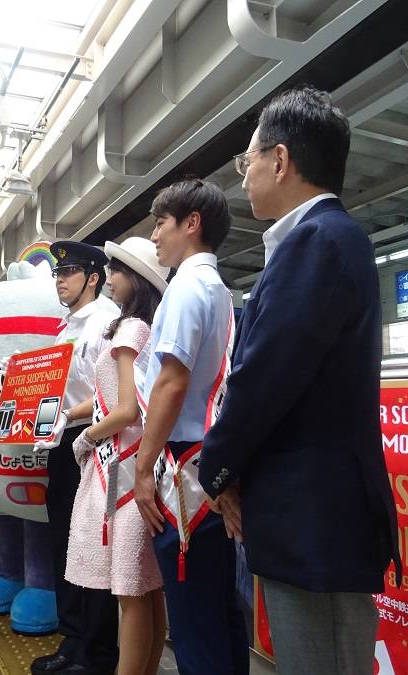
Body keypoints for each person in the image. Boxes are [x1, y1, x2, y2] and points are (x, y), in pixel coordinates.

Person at [198, 87, 402, 675]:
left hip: (316, 520)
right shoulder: (325, 240)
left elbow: (266, 376)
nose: (244, 179)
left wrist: (217, 468)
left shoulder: (317, 242)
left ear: (280, 161)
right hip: (310, 513)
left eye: (248, 162)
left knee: (321, 660)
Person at [133, 178, 249, 675]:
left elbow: (170, 385)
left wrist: (141, 471)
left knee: (195, 625)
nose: (154, 235)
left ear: (191, 224)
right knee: (221, 616)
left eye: (161, 223)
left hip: (183, 477)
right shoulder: (219, 291)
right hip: (210, 466)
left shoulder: (184, 288)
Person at [62, 238, 169, 675]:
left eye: (118, 271)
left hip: (118, 469)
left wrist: (84, 436)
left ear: (137, 280)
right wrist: (70, 413)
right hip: (136, 464)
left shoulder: (128, 330)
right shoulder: (145, 327)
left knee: (130, 592)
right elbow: (114, 400)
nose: (109, 277)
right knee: (148, 589)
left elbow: (125, 409)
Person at [28, 242, 121, 675]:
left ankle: (97, 652)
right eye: (57, 274)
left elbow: (109, 394)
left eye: (69, 272)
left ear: (94, 278)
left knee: (91, 545)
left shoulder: (105, 323)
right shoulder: (64, 327)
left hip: (93, 443)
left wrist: (65, 416)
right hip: (63, 444)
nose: (60, 280)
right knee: (65, 541)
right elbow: (57, 387)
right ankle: (73, 638)